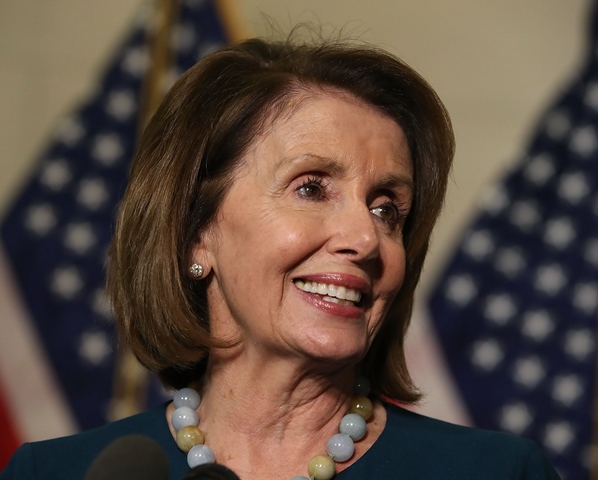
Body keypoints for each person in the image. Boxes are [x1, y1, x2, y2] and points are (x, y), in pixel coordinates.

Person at [0, 35, 560, 480]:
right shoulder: (54, 473)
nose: (365, 239)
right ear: (198, 233)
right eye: (312, 188)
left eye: (388, 209)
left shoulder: (494, 472)